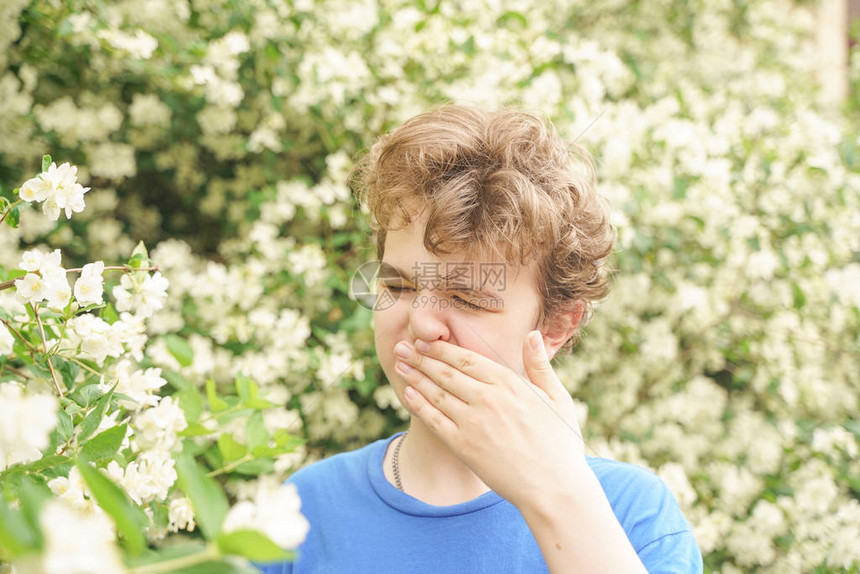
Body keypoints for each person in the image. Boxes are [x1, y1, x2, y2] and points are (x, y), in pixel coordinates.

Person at [257, 105, 703, 573]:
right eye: (399, 286)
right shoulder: (302, 510)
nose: (422, 324)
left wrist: (558, 500)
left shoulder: (634, 517)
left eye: (467, 298)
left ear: (555, 327)